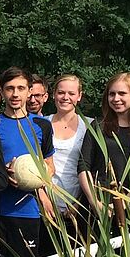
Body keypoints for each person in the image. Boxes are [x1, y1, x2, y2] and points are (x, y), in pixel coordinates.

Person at [0, 67, 55, 257]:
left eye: (20, 88)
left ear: (30, 91)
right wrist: (3, 173)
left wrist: (36, 178)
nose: (15, 94)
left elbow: (49, 166)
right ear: (2, 92)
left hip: (28, 212)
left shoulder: (41, 125)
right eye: (10, 89)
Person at [77, 72, 130, 221]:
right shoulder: (98, 126)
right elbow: (83, 165)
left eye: (122, 93)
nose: (116, 99)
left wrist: (122, 203)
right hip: (97, 206)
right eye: (112, 94)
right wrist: (95, 202)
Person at [44, 75, 91, 214]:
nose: (65, 97)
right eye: (61, 92)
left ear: (79, 96)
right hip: (45, 205)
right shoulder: (42, 124)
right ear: (54, 94)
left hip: (79, 206)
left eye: (71, 93)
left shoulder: (89, 126)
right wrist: (44, 200)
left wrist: (79, 203)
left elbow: (92, 168)